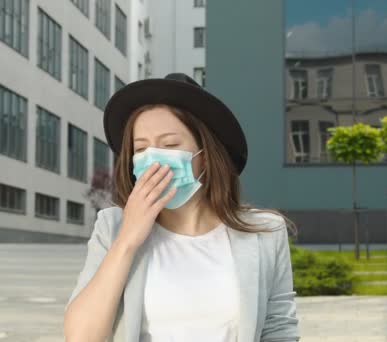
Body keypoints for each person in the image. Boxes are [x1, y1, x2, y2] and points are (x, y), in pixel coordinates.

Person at [63, 73, 300, 342]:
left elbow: (280, 330)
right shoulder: (112, 226)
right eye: (141, 149)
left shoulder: (266, 232)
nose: (153, 159)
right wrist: (128, 238)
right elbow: (80, 337)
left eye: (170, 144)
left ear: (206, 155)